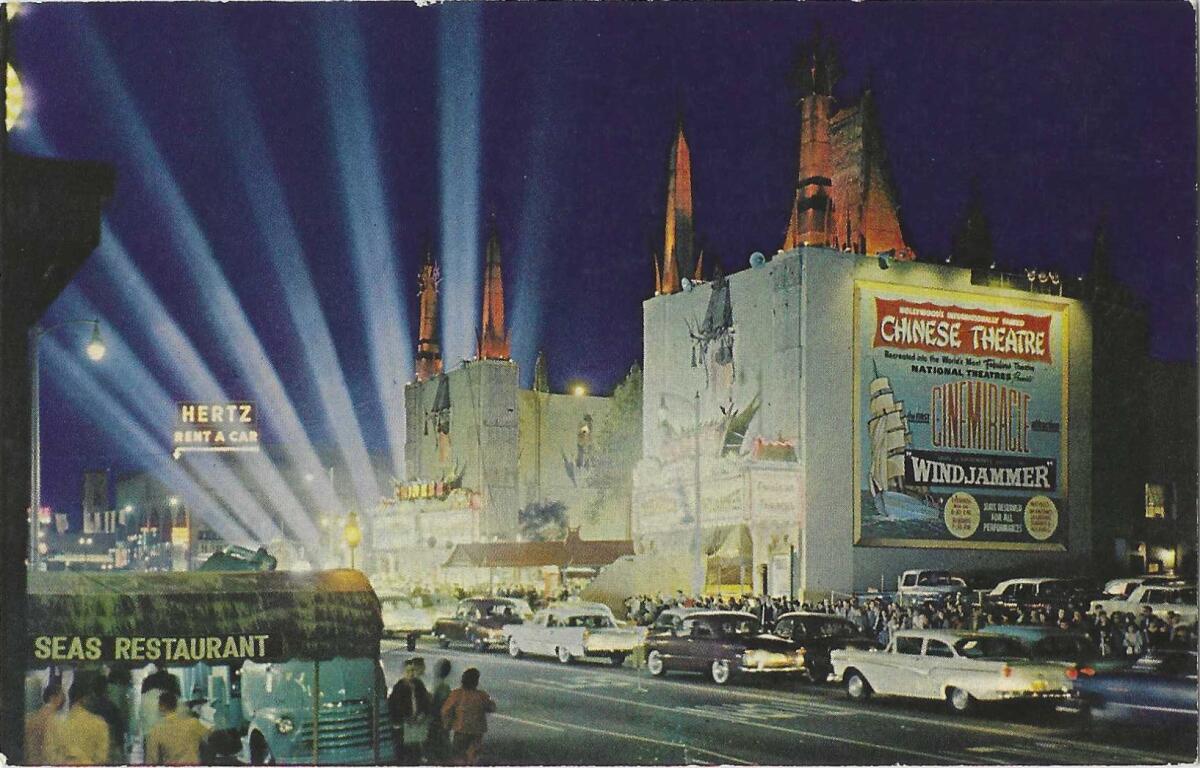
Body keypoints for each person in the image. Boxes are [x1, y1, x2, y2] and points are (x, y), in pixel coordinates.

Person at [46, 677, 110, 765]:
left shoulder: (56, 723)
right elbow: (102, 758)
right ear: (85, 698)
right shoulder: (99, 723)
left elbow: (51, 756)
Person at [440, 667, 496, 766]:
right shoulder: (481, 695)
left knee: (458, 755)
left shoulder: (456, 694)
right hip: (477, 731)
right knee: (474, 755)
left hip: (460, 729)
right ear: (476, 682)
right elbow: (492, 707)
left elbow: (445, 710)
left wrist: (447, 725)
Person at [145, 690, 212, 765]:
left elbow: (151, 760)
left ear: (161, 707)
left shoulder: (156, 731)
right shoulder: (193, 724)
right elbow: (212, 738)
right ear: (176, 706)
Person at [389, 657, 431, 764]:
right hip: (404, 724)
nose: (411, 673)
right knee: (404, 752)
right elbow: (396, 706)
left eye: (413, 670)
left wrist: (422, 714)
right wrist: (406, 719)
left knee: (415, 750)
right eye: (408, 671)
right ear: (403, 672)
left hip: (417, 723)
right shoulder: (399, 687)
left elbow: (425, 702)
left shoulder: (418, 684)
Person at [24, 680, 66, 765]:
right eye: (61, 696)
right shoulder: (54, 720)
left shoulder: (31, 717)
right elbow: (51, 750)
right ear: (53, 697)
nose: (64, 699)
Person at [425, 659, 454, 763]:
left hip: (436, 718)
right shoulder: (444, 686)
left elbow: (435, 703)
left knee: (436, 742)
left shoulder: (439, 685)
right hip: (442, 719)